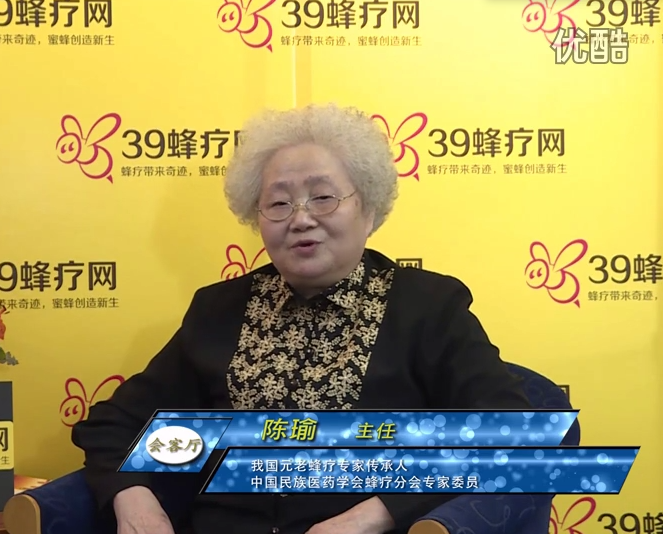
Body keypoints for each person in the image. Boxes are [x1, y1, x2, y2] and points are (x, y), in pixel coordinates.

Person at [71, 103, 533, 534]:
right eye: (278, 204)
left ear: (368, 209)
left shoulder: (427, 307)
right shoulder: (219, 310)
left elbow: (510, 430)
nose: (301, 219)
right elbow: (116, 423)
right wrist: (133, 496)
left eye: (323, 197)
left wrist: (372, 516)